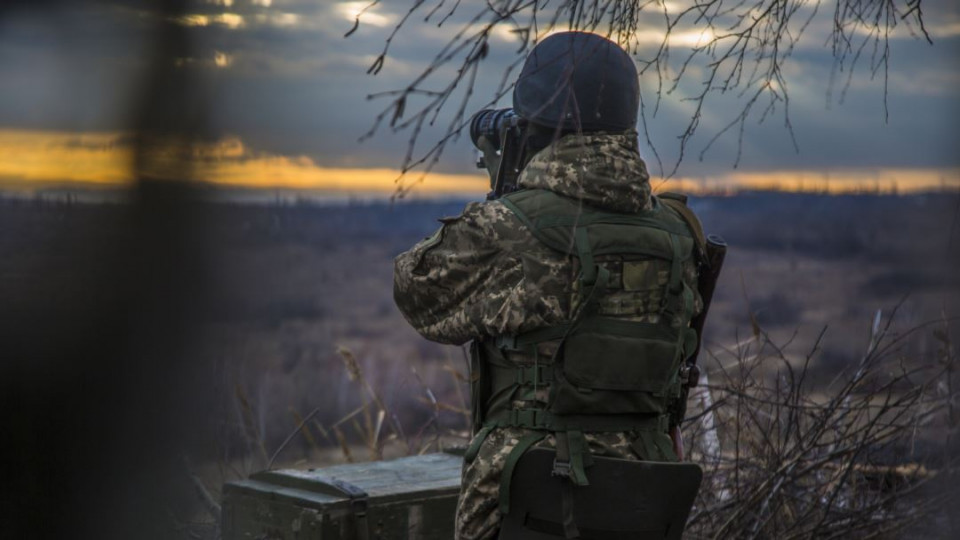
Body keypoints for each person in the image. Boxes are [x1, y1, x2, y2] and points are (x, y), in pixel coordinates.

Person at [394, 31, 704, 540]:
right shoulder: (678, 234)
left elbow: (416, 290)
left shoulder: (510, 229)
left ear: (539, 124)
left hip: (529, 492)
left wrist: (505, 194)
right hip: (645, 489)